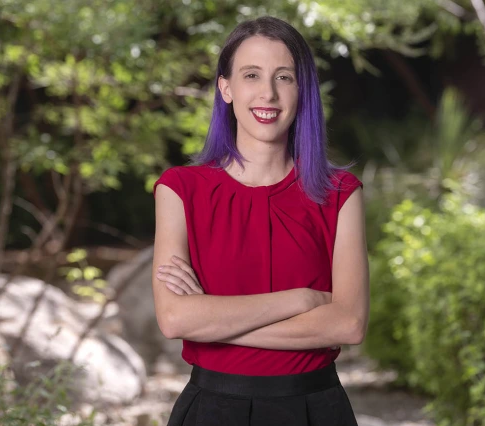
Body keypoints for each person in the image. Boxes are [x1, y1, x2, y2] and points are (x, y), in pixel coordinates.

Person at [152, 15, 369, 426]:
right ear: (226, 88)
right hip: (212, 410)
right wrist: (301, 300)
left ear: (301, 90)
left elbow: (349, 323)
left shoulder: (340, 193)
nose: (268, 93)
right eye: (251, 75)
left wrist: (211, 322)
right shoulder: (179, 190)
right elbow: (175, 319)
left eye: (284, 77)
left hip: (314, 410)